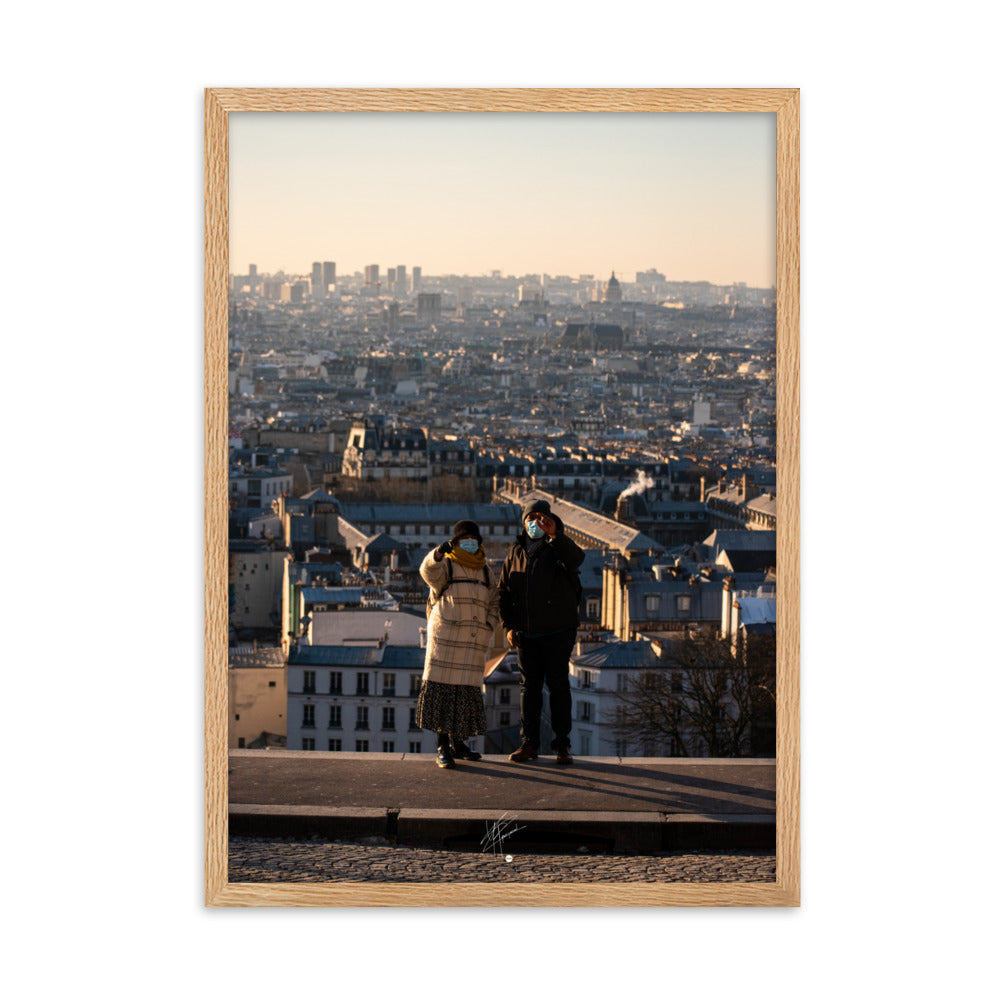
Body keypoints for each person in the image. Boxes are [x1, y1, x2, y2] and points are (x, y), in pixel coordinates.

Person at [498, 498, 584, 765]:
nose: (535, 523)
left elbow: (577, 558)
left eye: (541, 518)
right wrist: (508, 626)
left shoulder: (558, 547)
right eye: (530, 518)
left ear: (550, 521)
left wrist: (556, 535)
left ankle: (561, 744)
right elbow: (503, 591)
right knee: (529, 690)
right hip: (527, 634)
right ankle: (529, 743)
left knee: (559, 689)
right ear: (523, 523)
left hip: (558, 632)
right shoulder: (515, 551)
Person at [417, 519, 499, 768]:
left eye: (473, 540)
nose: (470, 544)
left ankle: (459, 744)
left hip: (472, 644)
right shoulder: (447, 566)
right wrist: (438, 553)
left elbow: (495, 601)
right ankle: (442, 746)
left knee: (464, 695)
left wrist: (489, 625)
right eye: (464, 541)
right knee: (444, 693)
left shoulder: (486, 571)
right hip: (447, 641)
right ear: (456, 542)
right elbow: (427, 572)